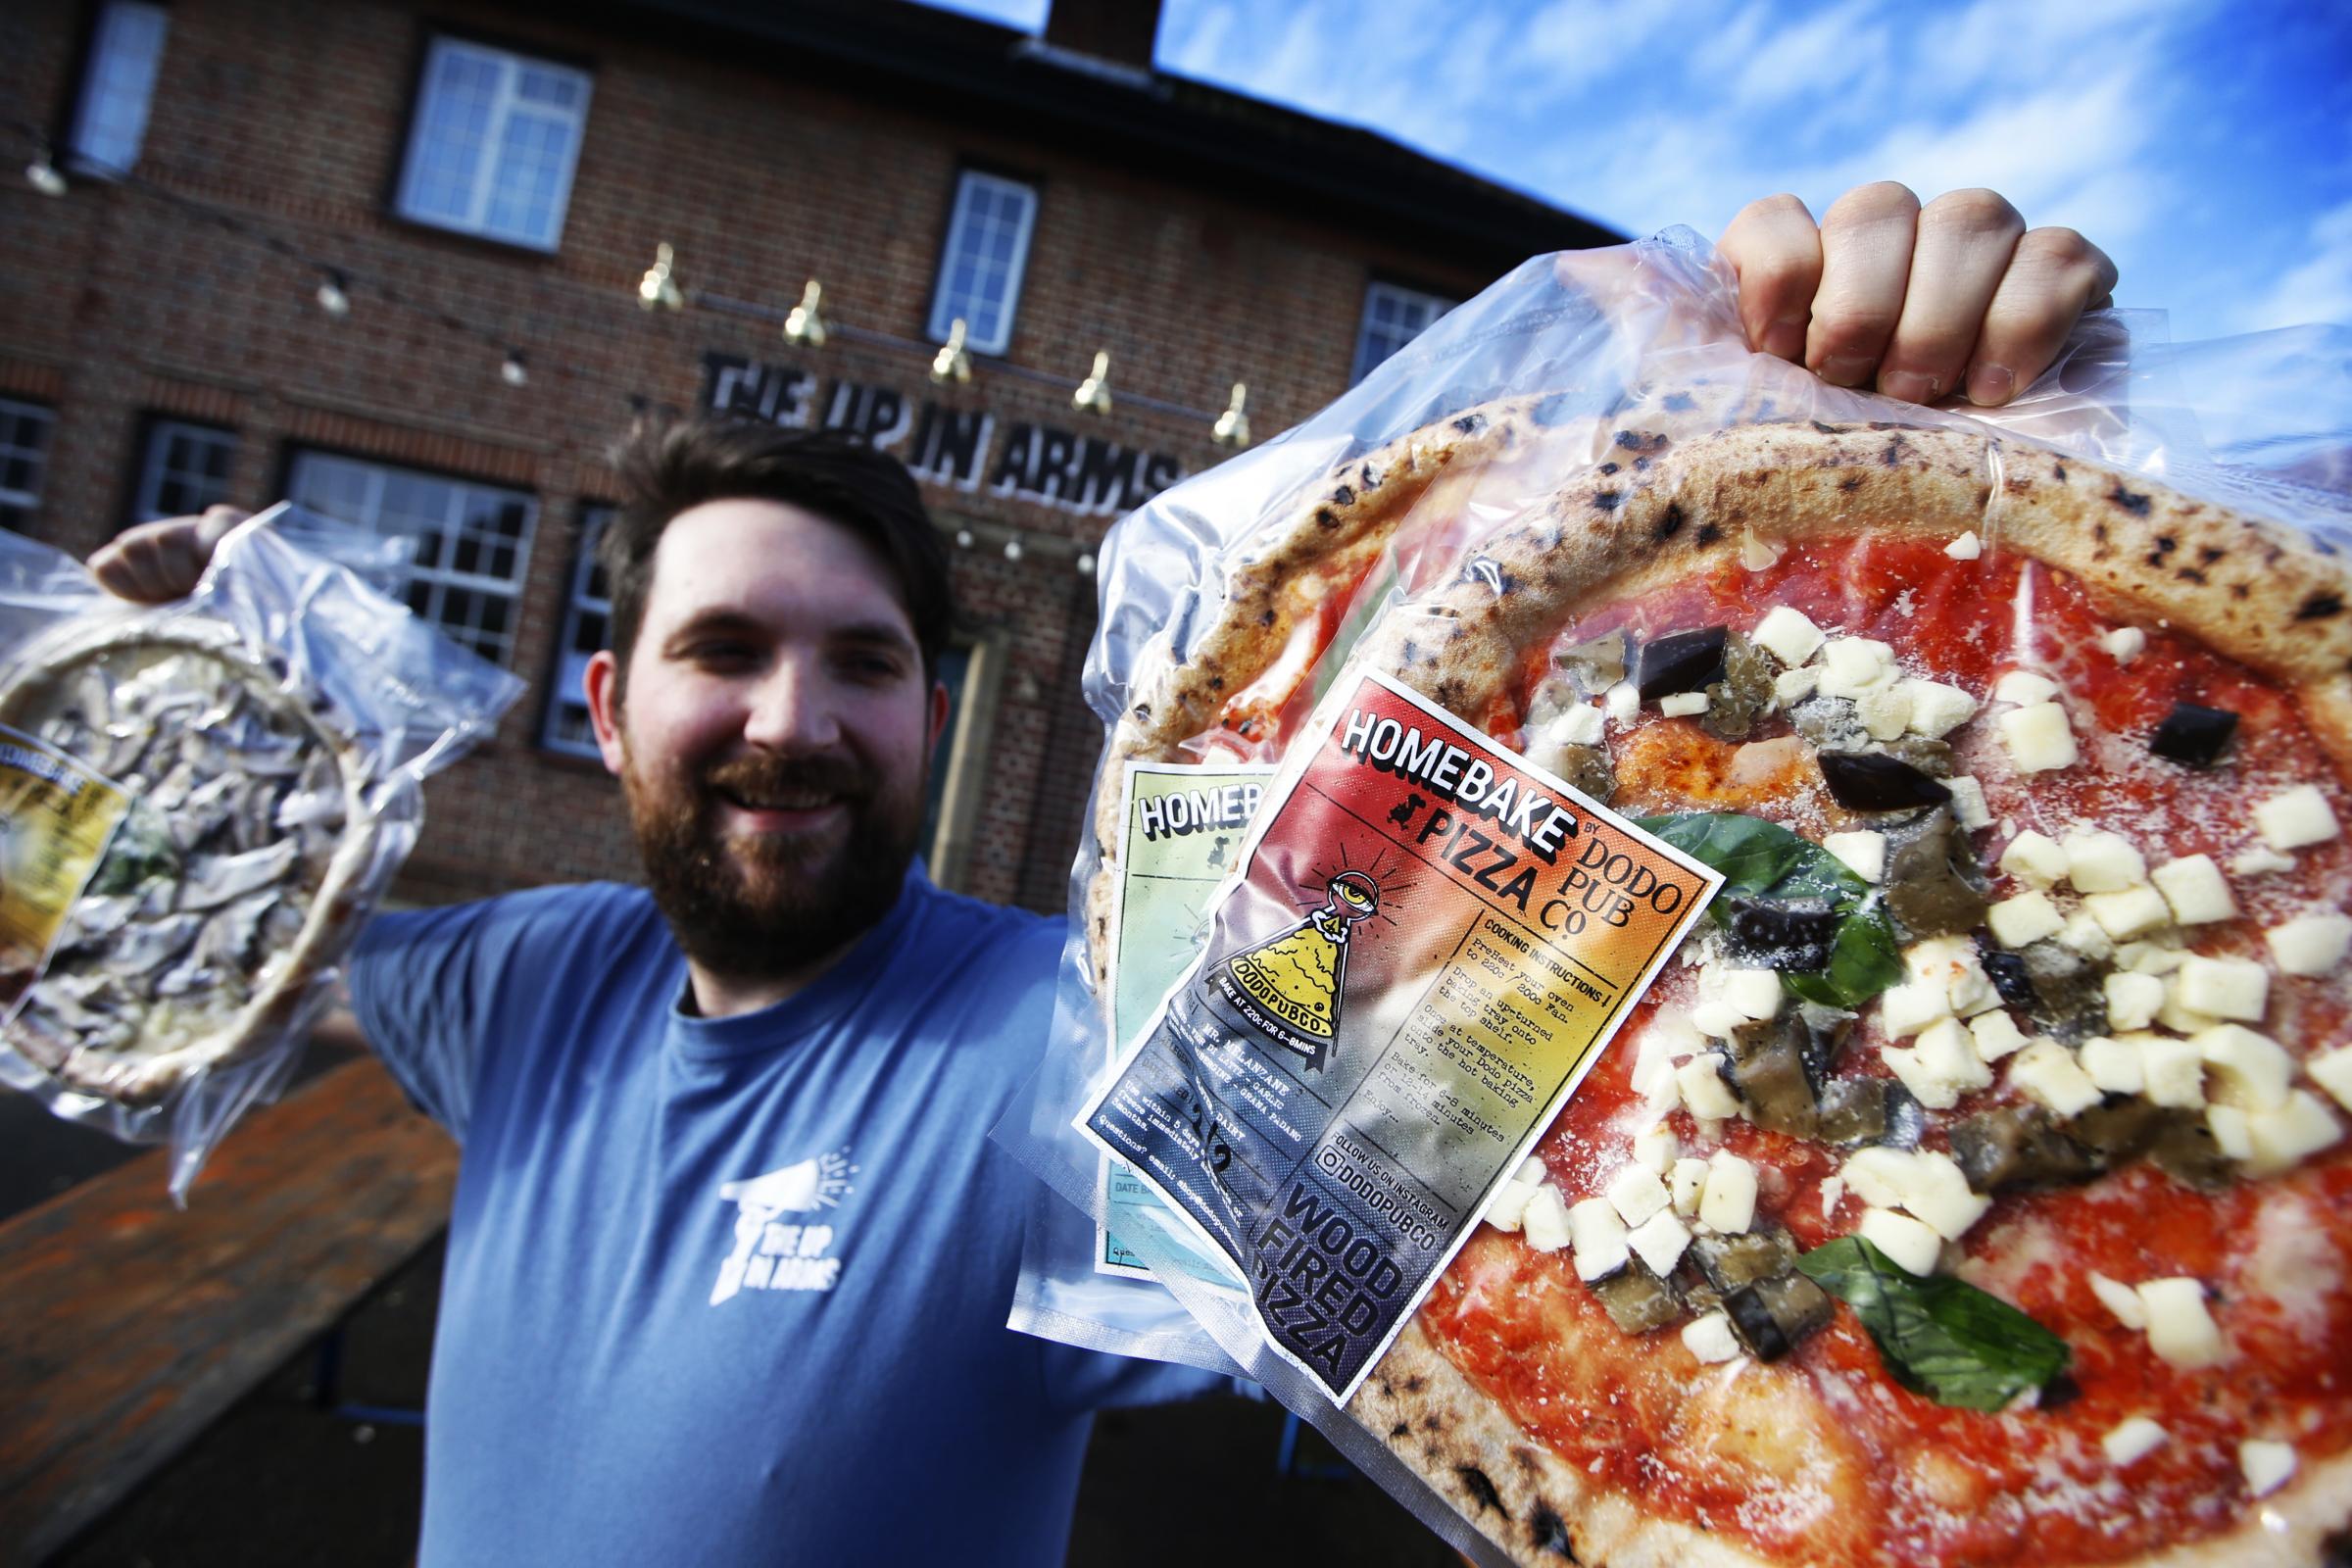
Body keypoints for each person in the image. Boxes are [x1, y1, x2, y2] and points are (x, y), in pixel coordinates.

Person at [88, 188, 2116, 1565]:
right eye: (726, 651)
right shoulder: (522, 979)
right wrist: (117, 715)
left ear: (934, 707)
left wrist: (1910, 547)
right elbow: (203, 970)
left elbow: (1600, 1046)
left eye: (864, 660)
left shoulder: (1055, 1047)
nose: (793, 716)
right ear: (609, 703)